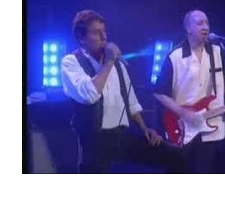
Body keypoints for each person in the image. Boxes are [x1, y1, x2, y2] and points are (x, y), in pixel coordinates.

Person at [61, 10, 185, 174]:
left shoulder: (117, 63)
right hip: (94, 142)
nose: (104, 37)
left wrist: (144, 129)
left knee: (176, 156)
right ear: (81, 37)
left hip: (121, 136)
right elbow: (89, 95)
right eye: (96, 33)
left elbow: (130, 101)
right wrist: (109, 62)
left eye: (104, 31)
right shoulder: (71, 62)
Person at [154, 9, 225, 173]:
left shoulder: (217, 52)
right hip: (183, 128)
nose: (205, 26)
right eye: (200, 23)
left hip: (212, 128)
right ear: (188, 28)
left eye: (207, 22)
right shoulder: (175, 56)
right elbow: (159, 92)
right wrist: (183, 112)